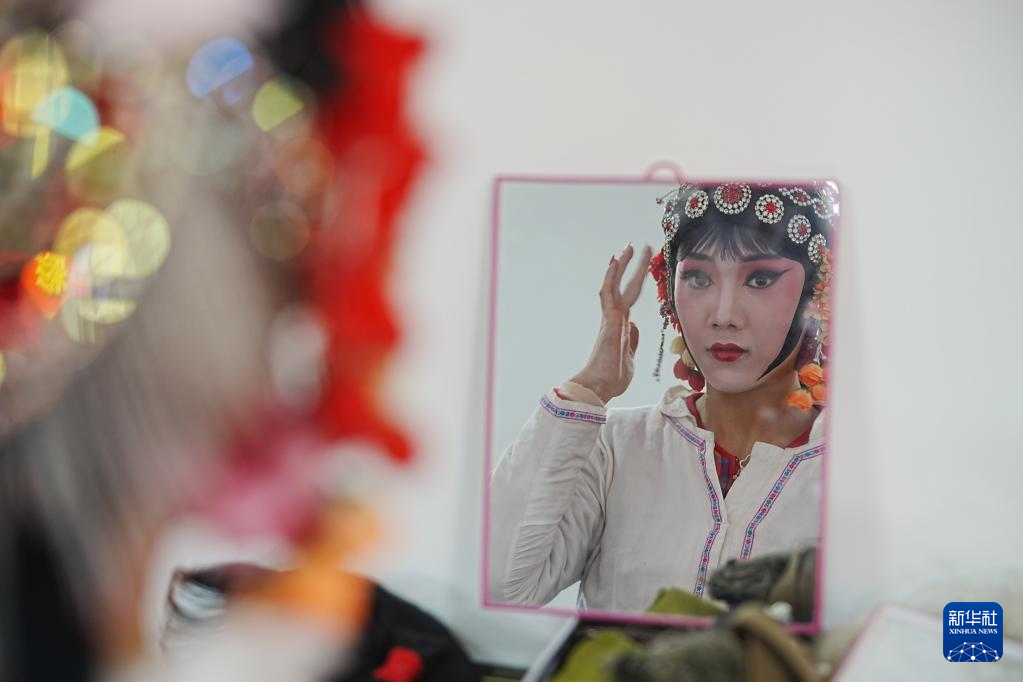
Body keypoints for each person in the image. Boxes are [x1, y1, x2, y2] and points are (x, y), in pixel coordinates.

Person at [488, 181, 835, 614]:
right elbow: (503, 583)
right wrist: (589, 389)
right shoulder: (616, 448)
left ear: (818, 293)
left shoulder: (847, 470)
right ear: (670, 292)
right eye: (698, 278)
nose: (723, 315)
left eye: (760, 279)